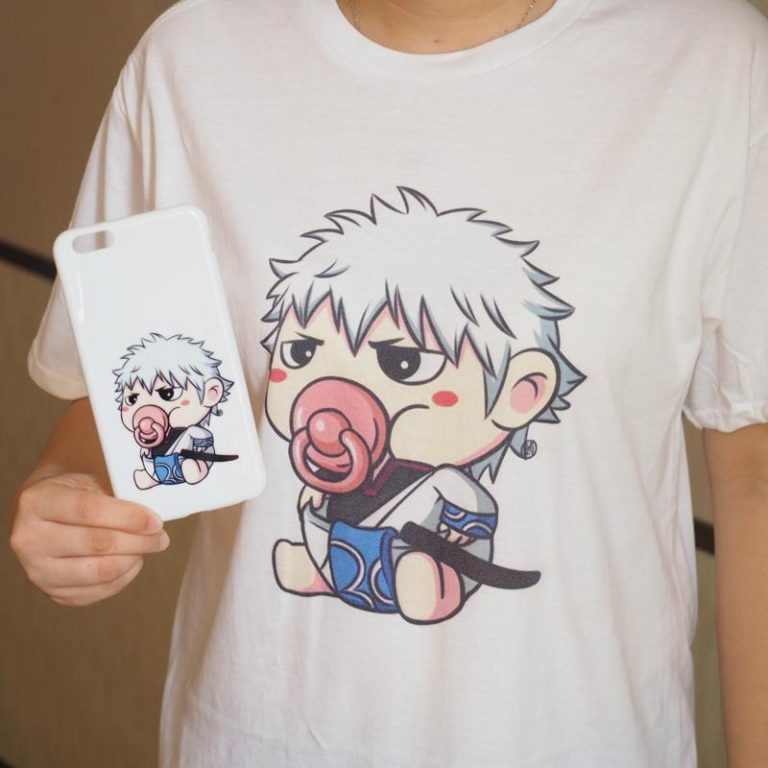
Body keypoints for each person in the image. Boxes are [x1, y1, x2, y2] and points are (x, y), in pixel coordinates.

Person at [10, 0, 768, 765]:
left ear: (523, 393)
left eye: (404, 365)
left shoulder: (714, 62)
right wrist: (72, 488)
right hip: (253, 739)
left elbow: (753, 482)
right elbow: (141, 396)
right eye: (304, 350)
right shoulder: (193, 55)